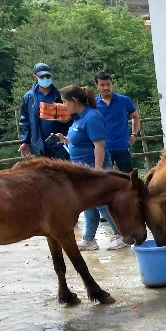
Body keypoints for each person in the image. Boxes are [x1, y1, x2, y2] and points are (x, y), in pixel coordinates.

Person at [58, 85, 127, 250]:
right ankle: (89, 239)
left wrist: (96, 172)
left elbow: (99, 146)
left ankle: (122, 235)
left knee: (102, 202)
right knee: (88, 203)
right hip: (82, 171)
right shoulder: (79, 118)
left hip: (93, 169)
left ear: (74, 101)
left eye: (64, 102)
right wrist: (64, 140)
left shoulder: (92, 117)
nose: (63, 105)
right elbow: (80, 141)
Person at [18, 63, 70, 159]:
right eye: (42, 76)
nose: (45, 78)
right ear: (35, 77)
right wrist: (25, 141)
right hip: (39, 145)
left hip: (59, 143)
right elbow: (25, 121)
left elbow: (71, 117)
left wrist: (64, 118)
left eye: (47, 76)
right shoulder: (29, 97)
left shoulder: (60, 95)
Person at [94, 71, 140, 173]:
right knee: (106, 180)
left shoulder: (124, 100)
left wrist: (134, 134)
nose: (106, 87)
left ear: (111, 84)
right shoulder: (93, 104)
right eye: (102, 85)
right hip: (103, 149)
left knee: (128, 178)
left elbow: (135, 116)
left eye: (108, 84)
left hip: (122, 146)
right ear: (96, 85)